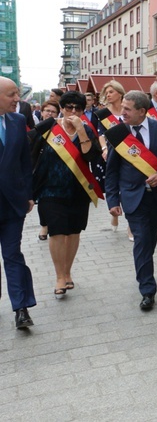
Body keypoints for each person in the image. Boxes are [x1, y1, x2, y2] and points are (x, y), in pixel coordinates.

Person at [105, 91, 157, 311]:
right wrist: (112, 200)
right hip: (132, 197)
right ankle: (147, 289)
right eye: (122, 108)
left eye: (127, 109)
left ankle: (144, 269)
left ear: (142, 111)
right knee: (142, 241)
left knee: (149, 242)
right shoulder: (118, 134)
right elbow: (112, 171)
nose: (122, 112)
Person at [32, 91, 102, 298]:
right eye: (68, 107)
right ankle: (59, 276)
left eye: (77, 108)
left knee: (73, 232)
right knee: (57, 231)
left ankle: (68, 271)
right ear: (61, 108)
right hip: (50, 189)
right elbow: (31, 153)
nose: (72, 111)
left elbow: (91, 156)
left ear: (83, 110)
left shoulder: (87, 130)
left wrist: (81, 131)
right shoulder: (49, 128)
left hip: (78, 189)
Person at [0, 76, 37, 329]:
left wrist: (29, 194)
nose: (18, 99)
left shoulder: (18, 121)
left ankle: (21, 308)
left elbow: (26, 162)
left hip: (13, 204)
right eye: (12, 94)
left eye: (17, 94)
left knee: (13, 255)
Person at [95, 81, 126, 233]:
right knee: (113, 183)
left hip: (128, 153)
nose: (108, 95)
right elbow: (101, 134)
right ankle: (115, 210)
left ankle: (131, 223)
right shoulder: (104, 114)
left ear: (120, 93)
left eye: (111, 92)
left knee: (128, 183)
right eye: (106, 92)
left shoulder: (128, 111)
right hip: (110, 153)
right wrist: (104, 148)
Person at [34, 100, 60, 242]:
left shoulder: (59, 129)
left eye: (53, 111)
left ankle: (52, 224)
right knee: (42, 199)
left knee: (50, 199)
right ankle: (44, 225)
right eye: (47, 111)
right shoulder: (36, 128)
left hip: (55, 170)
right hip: (39, 169)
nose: (49, 113)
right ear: (42, 112)